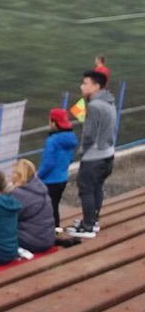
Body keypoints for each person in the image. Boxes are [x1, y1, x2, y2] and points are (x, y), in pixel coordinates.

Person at [67, 69, 116, 238]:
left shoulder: (94, 106)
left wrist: (82, 151)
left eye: (85, 83)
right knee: (97, 188)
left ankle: (87, 226)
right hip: (108, 153)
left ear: (96, 86)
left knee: (86, 189)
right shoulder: (110, 102)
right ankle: (93, 220)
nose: (82, 87)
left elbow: (89, 134)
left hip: (94, 156)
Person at [37, 107, 78, 230]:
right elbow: (70, 159)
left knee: (47, 209)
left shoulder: (52, 141)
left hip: (49, 181)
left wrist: (37, 176)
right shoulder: (71, 138)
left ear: (54, 123)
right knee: (55, 206)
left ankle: (50, 232)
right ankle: (56, 230)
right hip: (62, 178)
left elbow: (47, 163)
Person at [9, 158, 56, 254]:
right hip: (48, 238)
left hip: (33, 242)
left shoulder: (18, 194)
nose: (10, 175)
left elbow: (7, 218)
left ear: (20, 175)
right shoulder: (41, 188)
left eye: (13, 173)